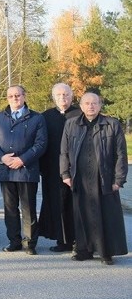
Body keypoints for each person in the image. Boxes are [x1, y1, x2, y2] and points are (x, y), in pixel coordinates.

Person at [60, 92, 128, 265]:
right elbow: (64, 152)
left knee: (105, 215)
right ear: (81, 106)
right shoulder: (71, 124)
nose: (91, 106)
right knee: (82, 214)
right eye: (87, 103)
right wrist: (65, 174)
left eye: (94, 103)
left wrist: (118, 179)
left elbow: (121, 154)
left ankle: (106, 252)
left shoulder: (112, 124)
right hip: (79, 178)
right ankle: (84, 249)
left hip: (104, 178)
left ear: (100, 105)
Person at [0, 85, 47, 255]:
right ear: (7, 98)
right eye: (11, 96)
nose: (14, 98)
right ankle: (14, 241)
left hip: (27, 170)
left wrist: (22, 159)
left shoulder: (37, 118)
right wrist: (2, 157)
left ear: (24, 96)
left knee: (28, 208)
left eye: (18, 95)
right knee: (10, 208)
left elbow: (41, 143)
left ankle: (29, 243)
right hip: (6, 170)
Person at [39, 83, 81, 252]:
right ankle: (62, 240)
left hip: (77, 169)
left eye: (66, 94)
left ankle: (80, 240)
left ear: (72, 96)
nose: (62, 98)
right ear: (53, 97)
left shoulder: (80, 115)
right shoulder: (46, 116)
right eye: (59, 95)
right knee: (56, 204)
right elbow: (41, 143)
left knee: (76, 205)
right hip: (52, 169)